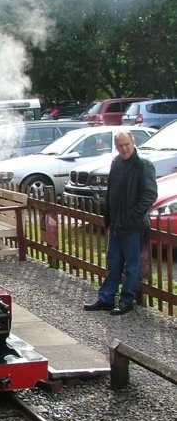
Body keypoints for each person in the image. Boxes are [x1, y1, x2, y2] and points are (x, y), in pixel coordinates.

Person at [84, 130, 157, 315]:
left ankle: (127, 300)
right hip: (116, 223)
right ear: (116, 147)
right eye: (120, 146)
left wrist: (132, 216)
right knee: (113, 263)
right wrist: (109, 218)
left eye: (127, 144)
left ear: (133, 142)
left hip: (133, 225)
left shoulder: (143, 165)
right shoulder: (116, 162)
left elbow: (149, 195)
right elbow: (111, 192)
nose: (124, 149)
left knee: (131, 265)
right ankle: (106, 298)